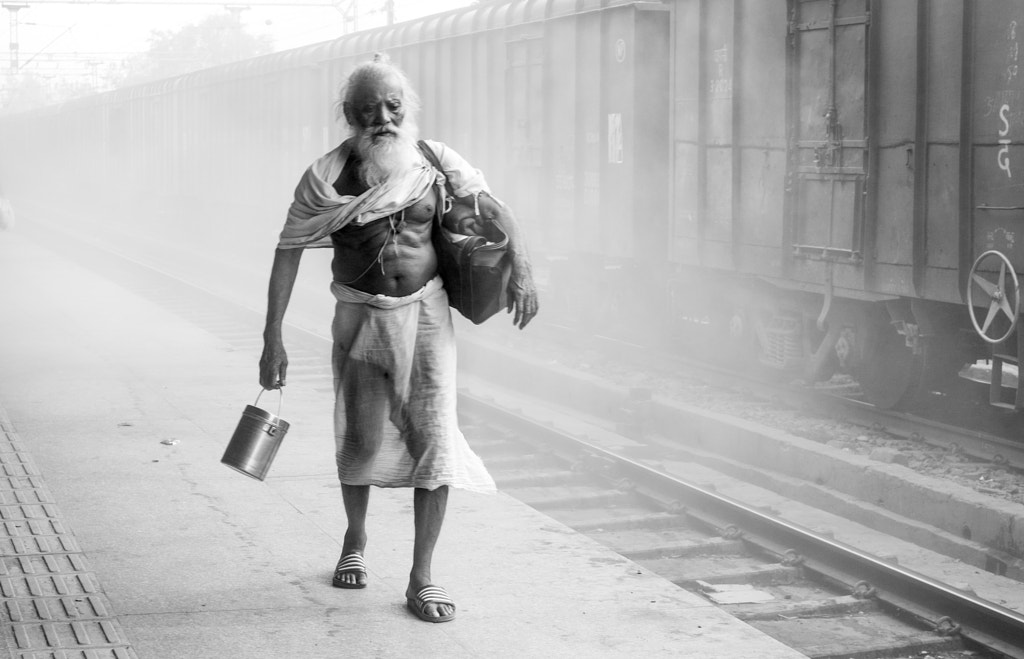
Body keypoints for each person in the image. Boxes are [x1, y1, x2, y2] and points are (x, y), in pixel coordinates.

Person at [258, 53, 538, 624]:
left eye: (392, 106)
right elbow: (288, 249)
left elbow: (496, 210)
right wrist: (272, 336)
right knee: (359, 438)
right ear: (349, 116)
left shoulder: (436, 162)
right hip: (359, 317)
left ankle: (421, 578)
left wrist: (525, 271)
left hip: (429, 314)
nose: (382, 118)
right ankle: (355, 540)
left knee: (434, 438)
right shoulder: (326, 178)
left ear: (406, 107)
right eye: (368, 110)